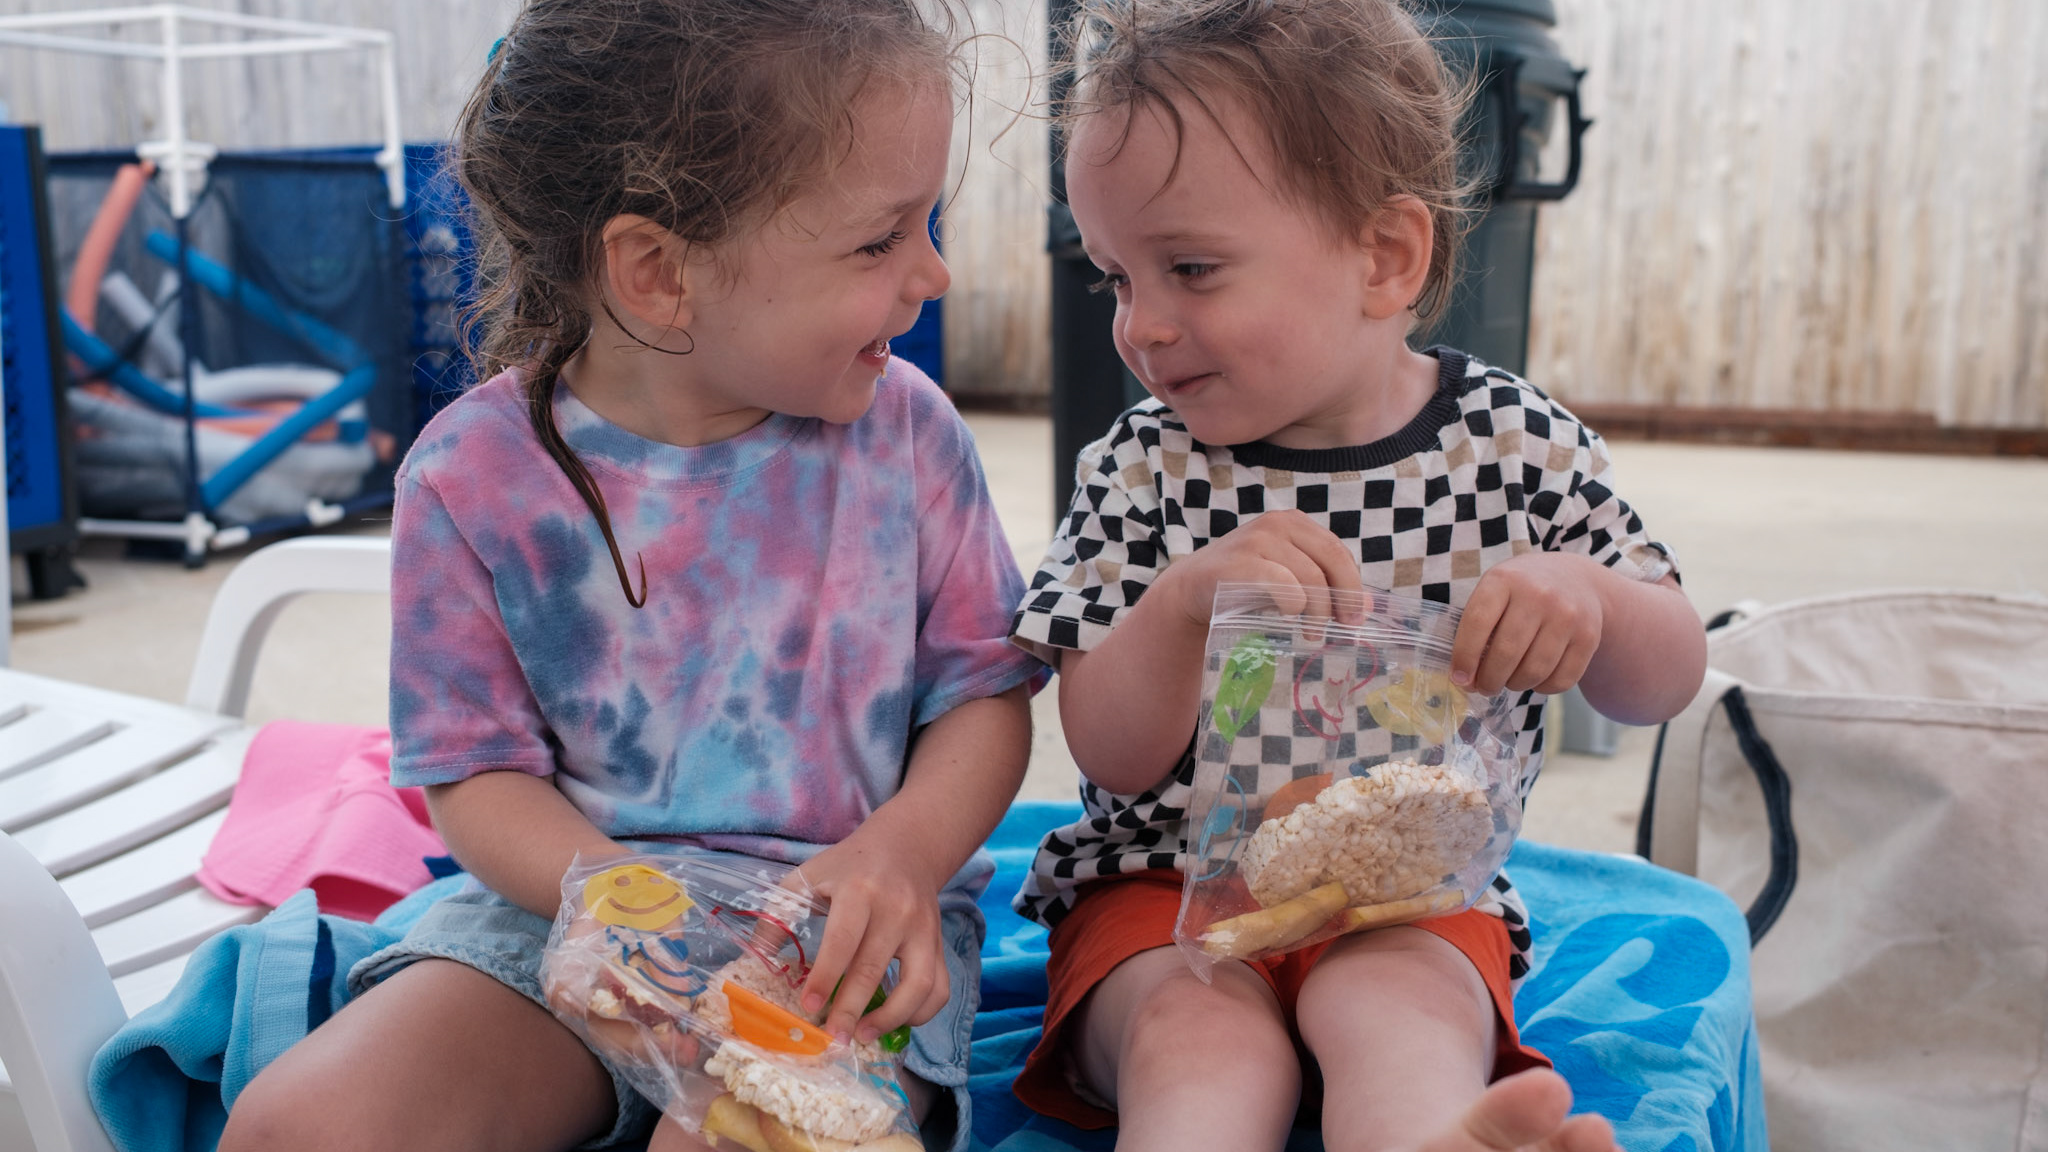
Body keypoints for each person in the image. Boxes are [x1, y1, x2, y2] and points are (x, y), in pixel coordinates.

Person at [218, 3, 1043, 1150]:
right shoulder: (470, 479)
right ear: (656, 272)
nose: (933, 274)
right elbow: (476, 774)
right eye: (878, 242)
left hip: (830, 937)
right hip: (564, 918)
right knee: (303, 1125)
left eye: (926, 224)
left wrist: (902, 856)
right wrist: (616, 903)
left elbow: (983, 698)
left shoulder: (905, 436)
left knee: (739, 1137)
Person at [1006, 2, 1708, 1150]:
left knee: (1400, 1015)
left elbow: (1663, 679)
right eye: (1115, 279)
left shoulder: (1514, 449)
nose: (1143, 327)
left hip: (1409, 895)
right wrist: (1182, 607)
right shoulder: (1141, 466)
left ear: (1382, 258)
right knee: (1198, 1043)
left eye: (1190, 268)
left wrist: (1590, 601)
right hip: (1160, 893)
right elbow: (1109, 754)